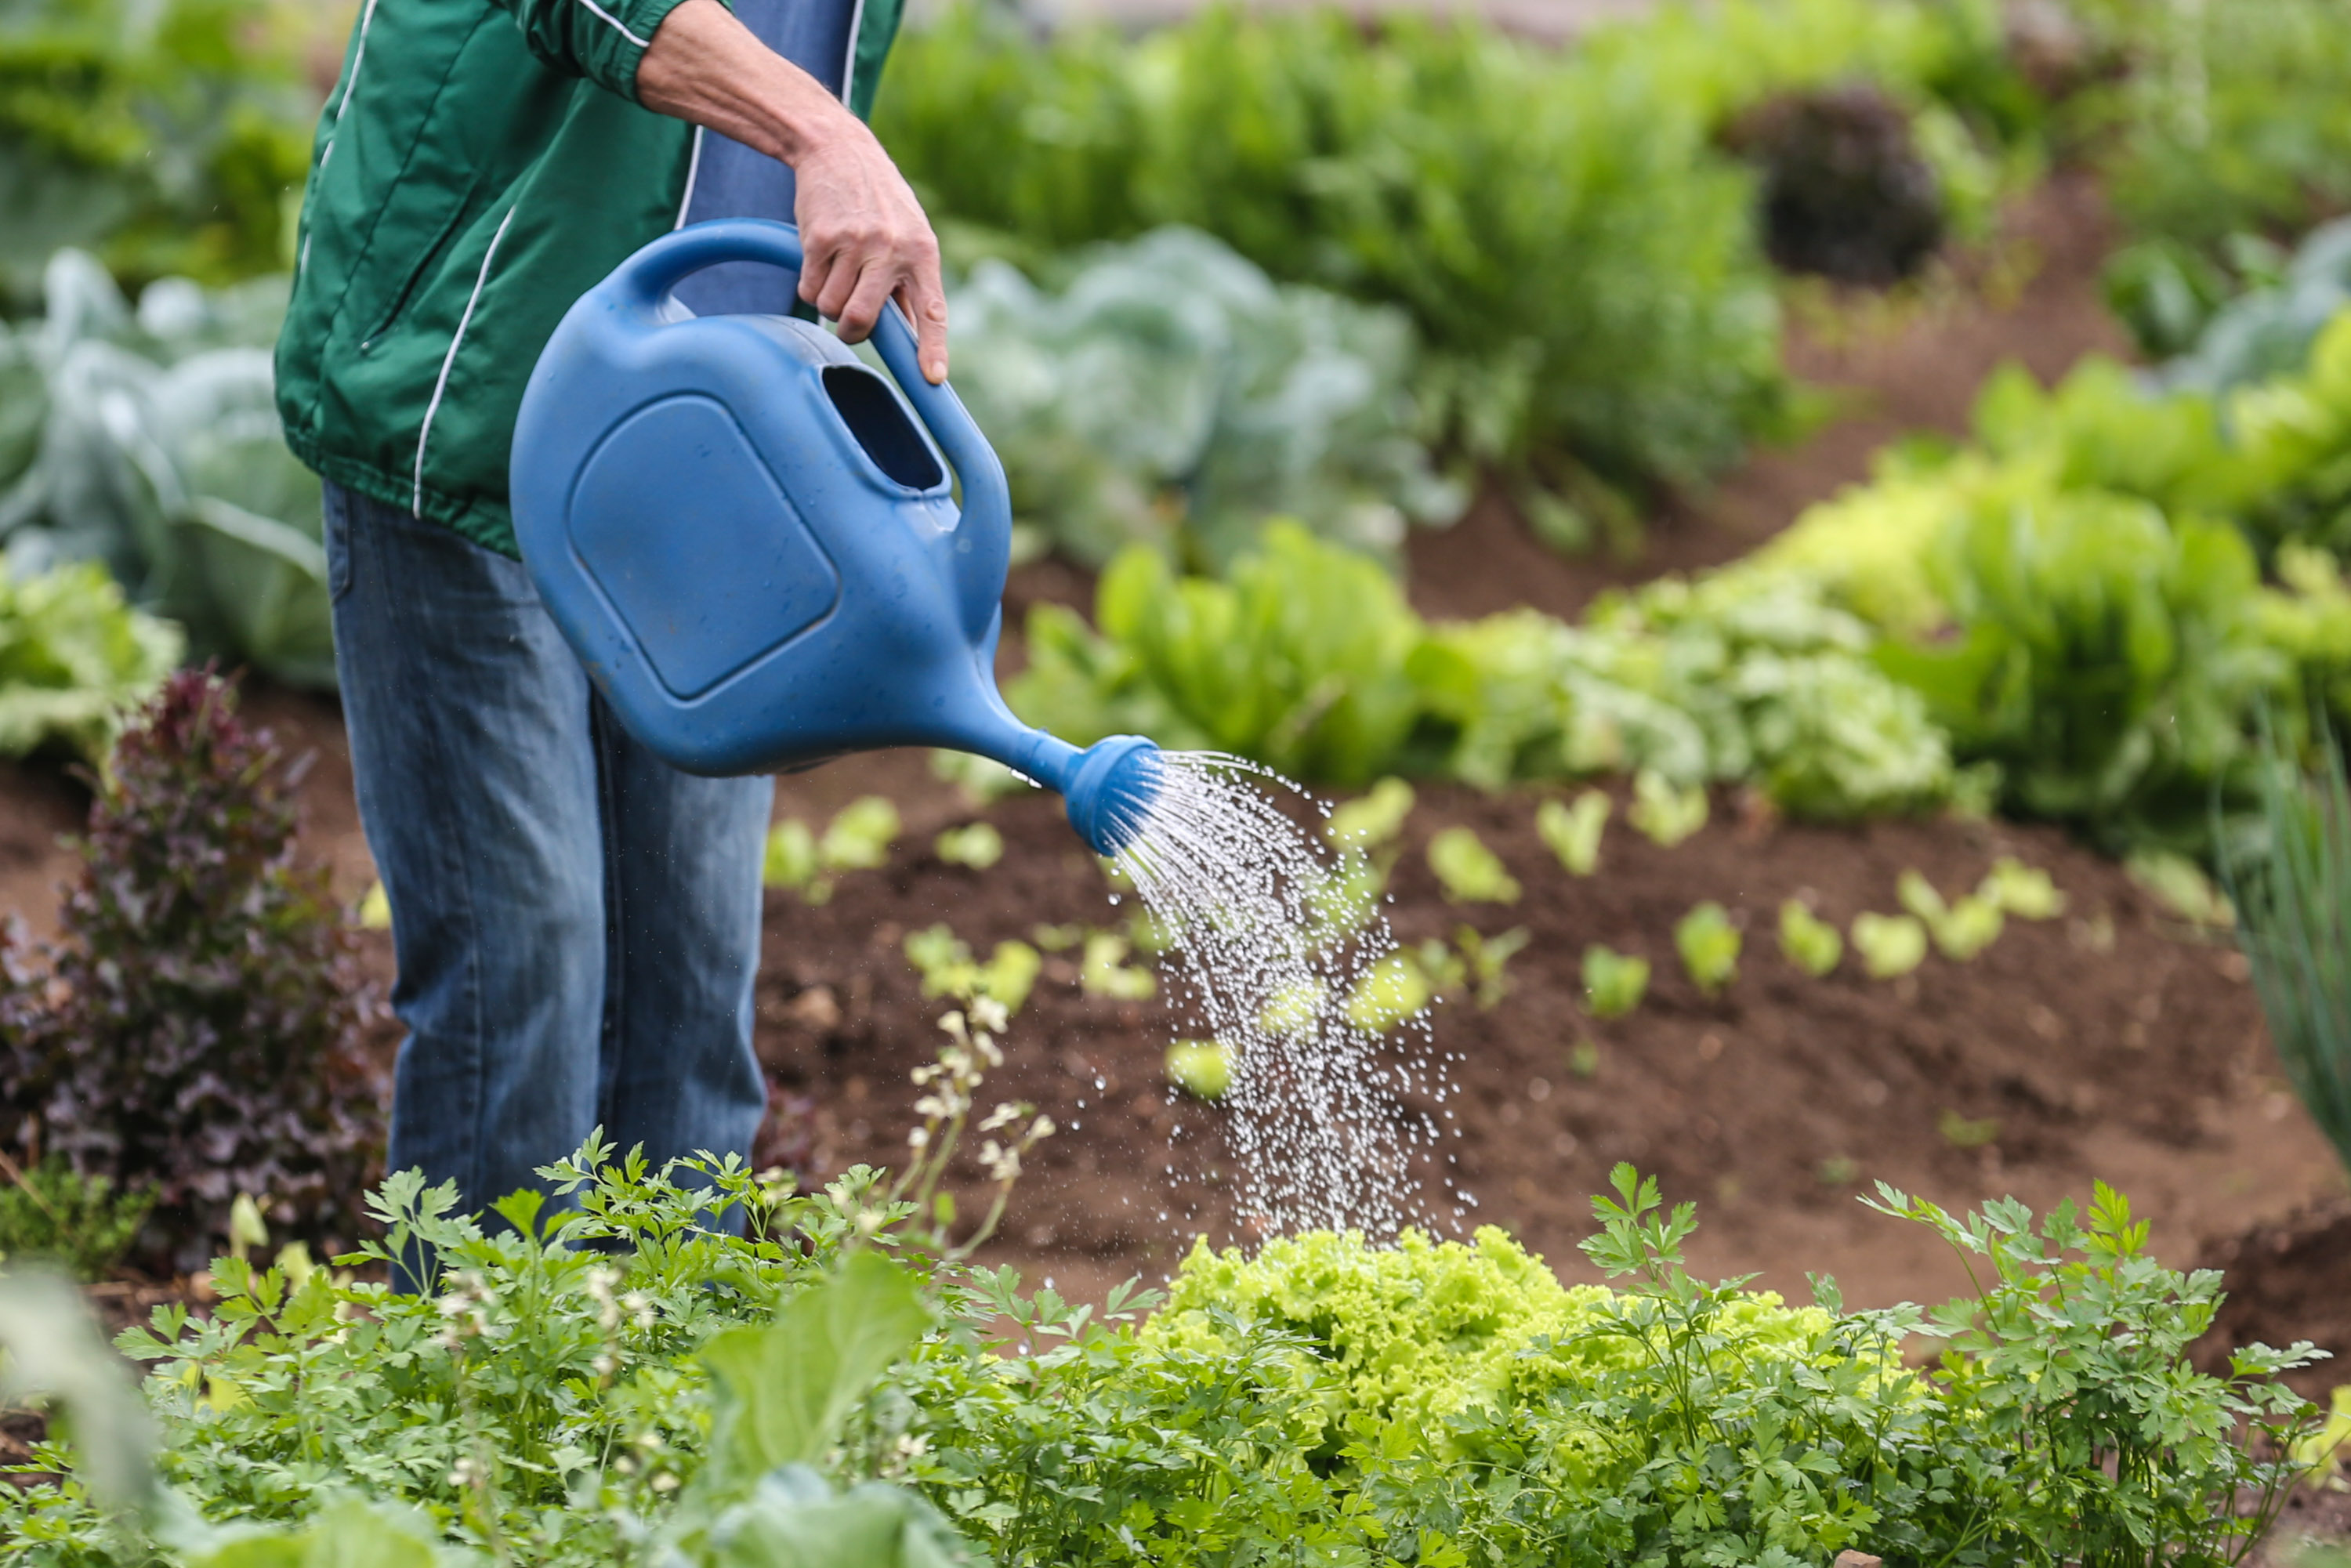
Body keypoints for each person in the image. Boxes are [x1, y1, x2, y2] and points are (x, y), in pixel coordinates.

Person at [273, 0, 948, 1238]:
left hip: (718, 439)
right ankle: (484, 1356)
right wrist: (820, 134)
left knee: (691, 985)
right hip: (476, 393)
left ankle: (669, 1359)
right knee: (523, 969)